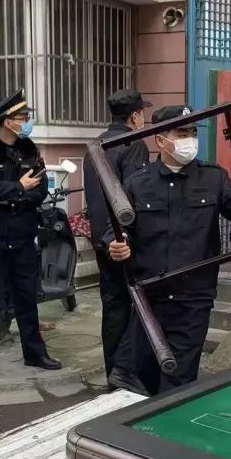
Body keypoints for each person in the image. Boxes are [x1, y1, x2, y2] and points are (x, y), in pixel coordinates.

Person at [106, 104, 231, 394]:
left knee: (179, 380)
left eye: (193, 133)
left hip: (193, 299)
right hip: (151, 297)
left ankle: (170, 420)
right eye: (181, 133)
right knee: (140, 374)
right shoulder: (137, 183)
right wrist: (117, 245)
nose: (189, 140)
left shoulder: (214, 177)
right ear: (160, 140)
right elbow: (117, 229)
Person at [0, 89, 62, 379]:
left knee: (27, 299)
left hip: (22, 237)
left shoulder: (30, 151)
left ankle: (35, 353)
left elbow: (41, 190)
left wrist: (11, 196)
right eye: (22, 118)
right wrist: (20, 188)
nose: (27, 122)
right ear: (6, 121)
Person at [83, 88, 152, 392]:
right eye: (142, 113)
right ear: (135, 116)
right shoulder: (133, 145)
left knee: (112, 307)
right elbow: (136, 195)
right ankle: (126, 373)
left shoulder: (95, 145)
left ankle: (113, 372)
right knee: (135, 306)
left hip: (102, 239)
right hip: (124, 241)